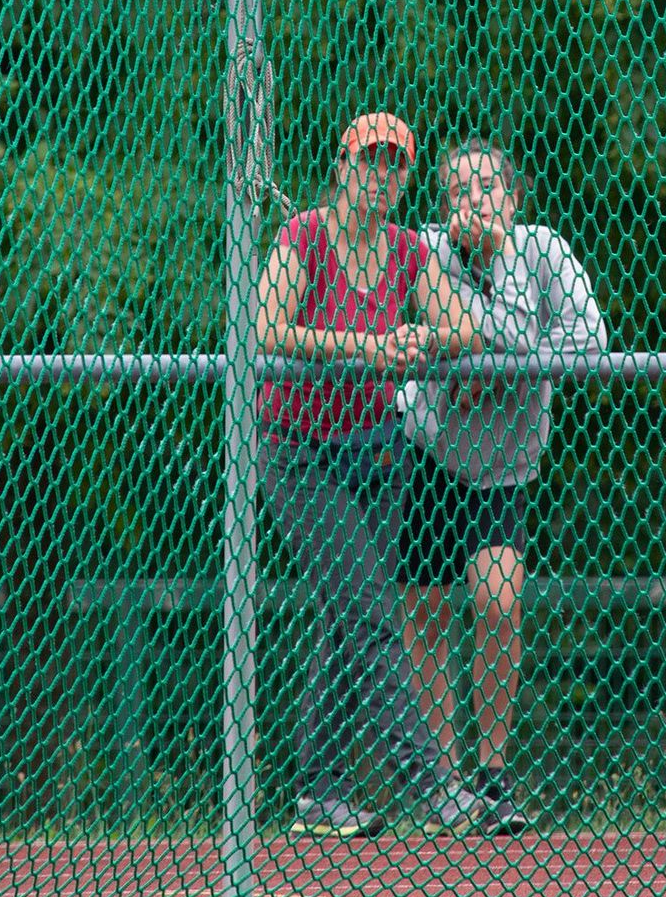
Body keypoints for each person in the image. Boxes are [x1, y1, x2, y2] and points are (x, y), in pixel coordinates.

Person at [256, 112, 484, 837]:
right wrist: (361, 346)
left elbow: (466, 329)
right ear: (341, 164)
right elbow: (268, 329)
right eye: (368, 161)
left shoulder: (408, 250)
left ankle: (317, 792)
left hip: (377, 451)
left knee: (344, 619)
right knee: (372, 620)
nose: (378, 176)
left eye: (393, 165)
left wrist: (422, 336)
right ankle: (433, 786)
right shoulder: (304, 238)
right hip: (298, 449)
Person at [398, 138, 609, 835]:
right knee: (425, 615)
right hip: (428, 451)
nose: (473, 202)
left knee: (497, 599)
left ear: (513, 198)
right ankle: (442, 784)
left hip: (504, 465)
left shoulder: (540, 250)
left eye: (487, 187)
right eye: (458, 191)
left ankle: (491, 774)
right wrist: (485, 352)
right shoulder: (423, 250)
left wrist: (501, 361)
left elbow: (591, 339)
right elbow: (425, 335)